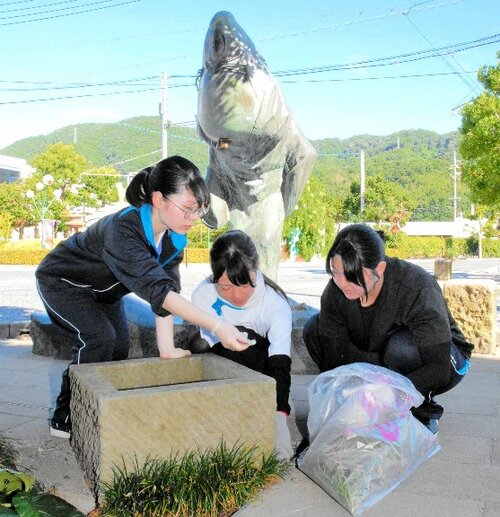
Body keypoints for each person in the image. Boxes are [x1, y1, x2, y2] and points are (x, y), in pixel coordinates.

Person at [36, 156, 249, 439]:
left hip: (105, 294)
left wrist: (167, 348)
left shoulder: (174, 240)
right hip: (63, 282)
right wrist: (218, 325)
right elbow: (161, 294)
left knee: (119, 346)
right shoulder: (123, 230)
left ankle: (97, 408)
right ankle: (65, 416)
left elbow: (166, 293)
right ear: (159, 199)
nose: (193, 219)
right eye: (187, 209)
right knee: (99, 338)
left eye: (198, 210)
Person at [303, 224, 473, 434]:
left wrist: (387, 395)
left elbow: (438, 369)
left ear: (380, 269)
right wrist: (335, 410)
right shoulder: (335, 292)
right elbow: (333, 363)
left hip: (443, 359)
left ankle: (422, 411)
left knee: (401, 348)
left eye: (353, 275)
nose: (343, 283)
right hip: (380, 355)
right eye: (336, 273)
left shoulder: (415, 287)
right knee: (314, 329)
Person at [190, 230, 294, 460]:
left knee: (244, 336)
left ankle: (265, 410)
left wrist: (279, 414)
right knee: (198, 344)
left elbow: (280, 363)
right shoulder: (203, 296)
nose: (237, 295)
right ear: (213, 275)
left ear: (256, 266)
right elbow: (206, 344)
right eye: (225, 287)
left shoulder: (275, 304)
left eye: (245, 284)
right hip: (223, 365)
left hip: (259, 367)